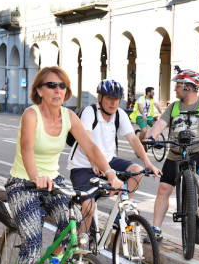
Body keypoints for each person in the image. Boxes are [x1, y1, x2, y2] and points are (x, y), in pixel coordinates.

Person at [5, 67, 123, 264]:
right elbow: (26, 148)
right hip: (24, 182)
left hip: (53, 182)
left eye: (62, 86)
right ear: (39, 90)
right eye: (51, 85)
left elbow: (91, 147)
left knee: (75, 221)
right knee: (33, 244)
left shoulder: (69, 116)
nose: (58, 91)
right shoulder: (30, 114)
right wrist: (35, 177)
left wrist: (111, 173)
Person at [68, 79, 161, 235]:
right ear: (100, 98)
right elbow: (87, 141)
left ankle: (120, 215)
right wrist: (94, 162)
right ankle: (81, 250)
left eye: (117, 99)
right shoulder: (90, 112)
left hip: (108, 161)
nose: (113, 103)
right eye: (110, 98)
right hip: (82, 165)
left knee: (137, 171)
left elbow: (133, 138)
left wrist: (148, 163)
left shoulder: (120, 114)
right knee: (89, 209)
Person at [145, 69, 199, 241]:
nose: (175, 89)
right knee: (163, 190)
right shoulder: (173, 107)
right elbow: (160, 124)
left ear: (188, 88)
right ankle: (156, 229)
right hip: (175, 153)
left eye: (178, 86)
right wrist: (152, 138)